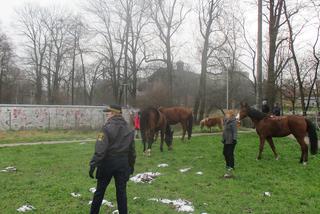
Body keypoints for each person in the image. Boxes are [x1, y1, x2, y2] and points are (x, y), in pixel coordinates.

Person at [89, 104, 136, 214]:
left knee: (100, 191)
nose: (107, 115)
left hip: (107, 163)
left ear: (115, 113)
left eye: (108, 112)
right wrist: (131, 165)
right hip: (122, 163)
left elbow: (100, 149)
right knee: (121, 193)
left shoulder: (106, 128)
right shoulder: (129, 128)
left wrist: (93, 164)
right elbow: (132, 151)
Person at [221, 110, 238, 178]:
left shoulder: (233, 122)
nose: (226, 115)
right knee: (224, 152)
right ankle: (227, 164)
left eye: (227, 114)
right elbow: (224, 131)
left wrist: (234, 139)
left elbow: (235, 131)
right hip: (226, 140)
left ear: (230, 115)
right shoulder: (226, 121)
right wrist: (223, 139)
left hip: (231, 140)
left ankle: (231, 166)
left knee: (230, 153)